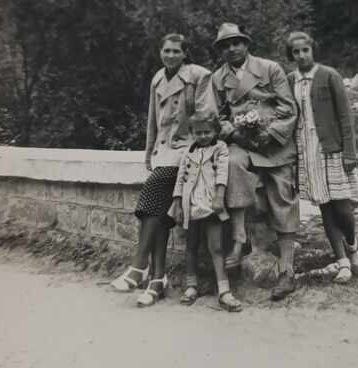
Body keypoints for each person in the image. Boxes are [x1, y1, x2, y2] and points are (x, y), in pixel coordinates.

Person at [111, 33, 214, 306]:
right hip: (162, 152)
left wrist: (196, 145)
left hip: (188, 151)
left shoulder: (199, 76)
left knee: (153, 195)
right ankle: (157, 281)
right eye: (166, 51)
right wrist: (148, 151)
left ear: (185, 53)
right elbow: (152, 121)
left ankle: (139, 266)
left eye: (176, 51)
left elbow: (207, 117)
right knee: (159, 211)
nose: (170, 55)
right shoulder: (158, 78)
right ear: (161, 52)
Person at [211, 22, 300, 301]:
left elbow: (289, 109)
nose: (232, 49)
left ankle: (287, 270)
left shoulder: (269, 69)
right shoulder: (218, 79)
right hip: (242, 142)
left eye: (236, 42)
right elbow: (218, 116)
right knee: (231, 164)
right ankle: (238, 240)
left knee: (283, 197)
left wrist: (268, 133)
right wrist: (229, 129)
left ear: (246, 44)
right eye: (225, 45)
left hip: (273, 144)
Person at [286, 30, 358, 283]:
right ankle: (342, 261)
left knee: (342, 205)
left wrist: (350, 152)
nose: (301, 55)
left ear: (312, 50)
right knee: (325, 208)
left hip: (332, 148)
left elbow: (345, 116)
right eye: (296, 52)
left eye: (305, 50)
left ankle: (352, 245)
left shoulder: (329, 75)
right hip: (306, 150)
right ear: (292, 55)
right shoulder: (290, 81)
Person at [168, 111, 242, 312]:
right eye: (198, 132)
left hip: (211, 205)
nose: (203, 136)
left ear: (215, 131)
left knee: (216, 248)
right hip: (190, 204)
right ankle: (191, 286)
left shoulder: (220, 148)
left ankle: (224, 291)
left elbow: (222, 174)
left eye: (207, 132)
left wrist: (219, 196)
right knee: (190, 246)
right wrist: (177, 203)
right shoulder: (188, 152)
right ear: (192, 133)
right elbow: (180, 178)